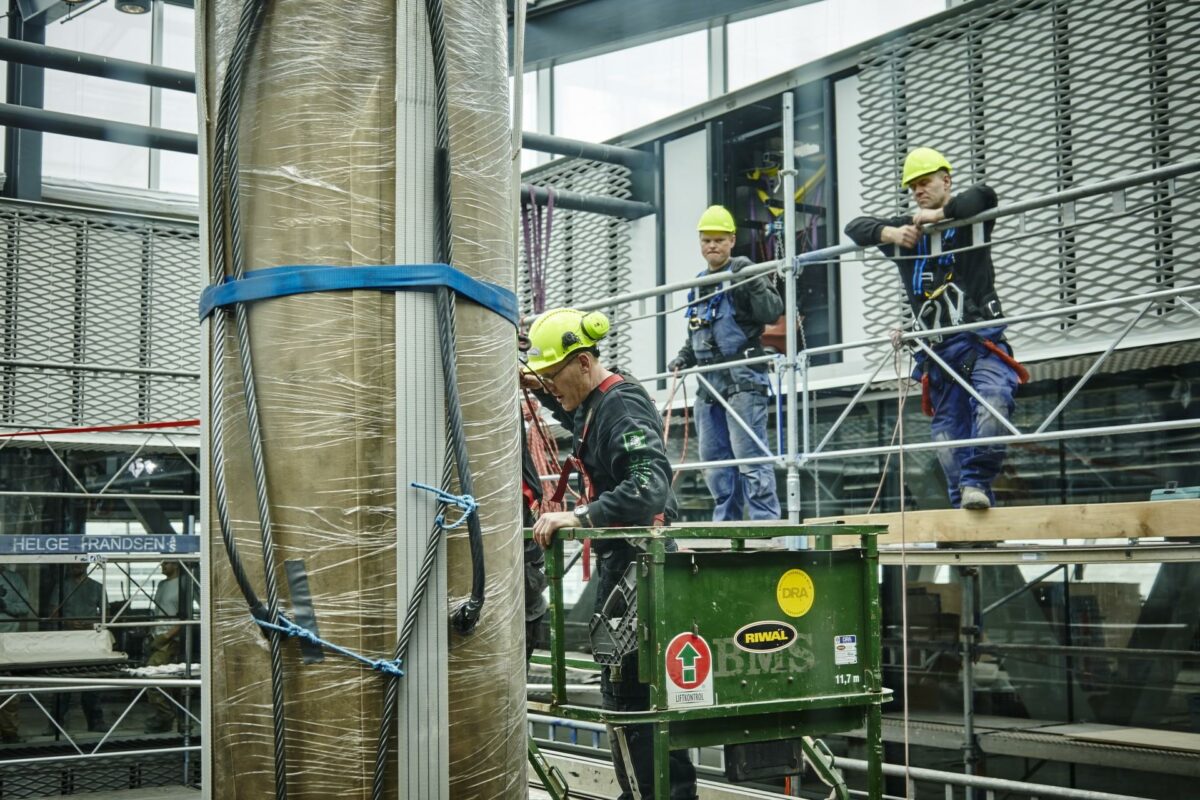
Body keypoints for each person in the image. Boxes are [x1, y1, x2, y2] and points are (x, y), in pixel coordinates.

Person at [522, 307, 697, 800]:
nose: (553, 389)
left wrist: (578, 518)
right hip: (633, 568)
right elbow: (578, 412)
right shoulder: (600, 401)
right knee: (641, 707)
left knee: (632, 702)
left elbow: (649, 487)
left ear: (581, 363)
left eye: (555, 377)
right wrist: (539, 385)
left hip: (640, 572)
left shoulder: (619, 406)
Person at [845, 147, 1024, 510]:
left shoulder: (969, 220)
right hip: (939, 355)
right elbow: (854, 227)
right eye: (913, 187)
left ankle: (976, 483)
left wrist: (939, 215)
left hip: (980, 343)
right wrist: (891, 234)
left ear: (946, 180)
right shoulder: (908, 234)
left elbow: (983, 196)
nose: (918, 192)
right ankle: (966, 509)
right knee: (946, 437)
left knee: (994, 402)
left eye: (924, 183)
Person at [668, 205, 783, 522]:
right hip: (708, 386)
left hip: (743, 382)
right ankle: (726, 523)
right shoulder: (699, 285)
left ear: (732, 240)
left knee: (749, 457)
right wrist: (683, 357)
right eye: (707, 240)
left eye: (719, 240)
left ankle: (764, 523)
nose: (712, 246)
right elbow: (697, 334)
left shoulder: (742, 274)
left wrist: (754, 278)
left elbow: (772, 312)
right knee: (715, 461)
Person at [50, 563, 108, 732]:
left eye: (80, 563)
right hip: (66, 640)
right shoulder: (61, 587)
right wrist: (67, 622)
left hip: (90, 640)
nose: (76, 565)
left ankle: (95, 722)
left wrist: (93, 623)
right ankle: (56, 724)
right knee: (63, 682)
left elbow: (107, 613)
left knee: (92, 681)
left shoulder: (97, 587)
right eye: (73, 563)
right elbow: (53, 613)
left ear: (87, 564)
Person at [144, 561, 186, 733]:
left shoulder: (184, 584)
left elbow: (185, 617)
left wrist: (167, 637)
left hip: (169, 640)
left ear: (176, 565)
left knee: (151, 677)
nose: (162, 565)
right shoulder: (162, 584)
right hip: (156, 637)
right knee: (163, 680)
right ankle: (167, 719)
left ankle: (166, 716)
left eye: (166, 562)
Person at [0, 566, 33, 743]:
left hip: (10, 641)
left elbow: (25, 608)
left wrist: (6, 605)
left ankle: (9, 733)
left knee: (10, 691)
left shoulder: (16, 579)